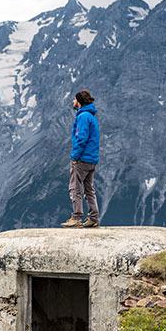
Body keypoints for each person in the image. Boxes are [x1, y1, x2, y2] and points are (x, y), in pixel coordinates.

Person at [61, 89, 100, 228]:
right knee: (89, 189)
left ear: (79, 102)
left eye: (74, 99)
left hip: (82, 159)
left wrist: (74, 156)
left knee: (75, 188)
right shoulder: (92, 116)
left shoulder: (83, 116)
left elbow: (81, 138)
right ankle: (93, 217)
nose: (73, 101)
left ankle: (76, 217)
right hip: (92, 159)